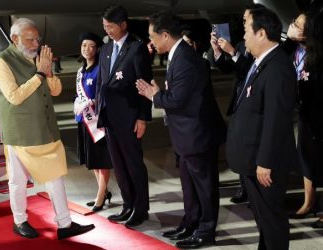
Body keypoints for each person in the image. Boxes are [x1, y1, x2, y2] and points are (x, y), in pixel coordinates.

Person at [0, 18, 95, 240]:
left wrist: (48, 73)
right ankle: (20, 220)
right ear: (14, 39)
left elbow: (56, 90)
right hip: (19, 132)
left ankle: (65, 223)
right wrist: (39, 74)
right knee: (18, 180)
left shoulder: (37, 59)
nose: (35, 44)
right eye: (30, 40)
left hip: (44, 128)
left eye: (37, 39)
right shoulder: (2, 62)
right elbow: (14, 96)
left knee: (55, 175)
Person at [136, 11, 226, 249]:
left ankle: (206, 230)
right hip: (186, 135)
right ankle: (191, 222)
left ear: (165, 35)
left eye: (152, 36)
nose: (151, 42)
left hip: (197, 134)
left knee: (204, 187)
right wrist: (160, 94)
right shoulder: (179, 55)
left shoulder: (185, 59)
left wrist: (155, 95)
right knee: (190, 184)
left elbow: (178, 99)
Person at [225, 8, 297, 249]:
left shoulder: (277, 68)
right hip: (252, 159)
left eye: (247, 32)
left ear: (262, 33)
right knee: (263, 220)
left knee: (272, 220)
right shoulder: (261, 63)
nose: (244, 37)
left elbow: (276, 120)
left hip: (265, 164)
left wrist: (265, 162)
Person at [96, 5, 153, 227]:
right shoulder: (106, 50)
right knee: (119, 165)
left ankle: (140, 208)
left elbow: (144, 84)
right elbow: (102, 82)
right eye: (104, 26)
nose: (108, 30)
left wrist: (142, 117)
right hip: (109, 117)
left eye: (111, 26)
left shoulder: (136, 48)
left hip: (129, 117)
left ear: (123, 25)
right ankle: (127, 205)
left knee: (134, 163)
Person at [210, 3, 265, 204]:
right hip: (239, 100)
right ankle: (244, 186)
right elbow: (226, 67)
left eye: (246, 20)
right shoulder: (242, 44)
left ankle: (256, 188)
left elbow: (249, 71)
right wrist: (217, 51)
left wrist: (233, 52)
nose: (243, 23)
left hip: (254, 104)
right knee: (240, 145)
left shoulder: (261, 46)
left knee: (254, 146)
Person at [74, 32, 113, 212]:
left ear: (97, 49)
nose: (87, 49)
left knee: (102, 160)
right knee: (93, 161)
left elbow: (104, 93)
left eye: (91, 46)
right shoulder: (81, 71)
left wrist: (94, 102)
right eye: (84, 46)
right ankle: (103, 191)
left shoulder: (100, 69)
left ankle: (100, 196)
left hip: (97, 120)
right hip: (84, 119)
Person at [294, 11, 323, 228]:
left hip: (318, 113)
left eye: (297, 24)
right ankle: (308, 201)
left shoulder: (318, 56)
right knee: (305, 156)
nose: (292, 26)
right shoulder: (292, 50)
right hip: (303, 113)